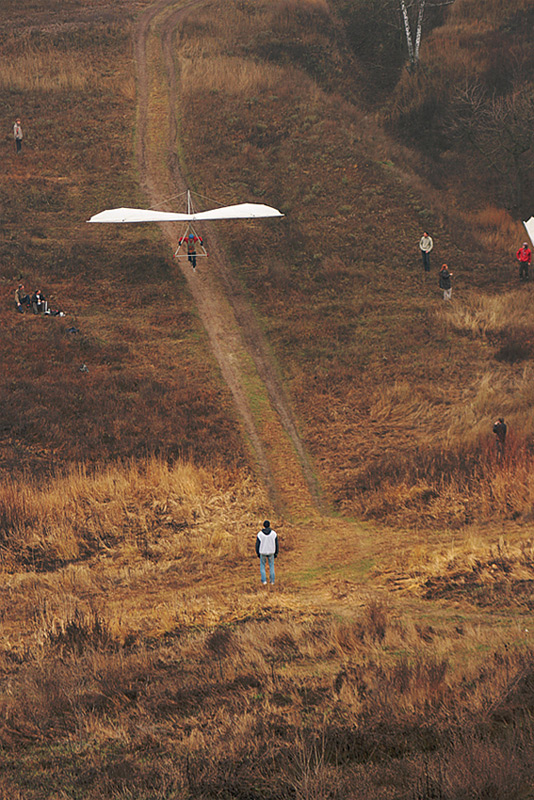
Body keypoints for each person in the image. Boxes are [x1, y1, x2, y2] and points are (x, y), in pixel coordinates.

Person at [255, 520, 278, 586]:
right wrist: (276, 552)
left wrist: (257, 553)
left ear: (263, 525)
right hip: (271, 551)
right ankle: (272, 581)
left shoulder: (260, 534)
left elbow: (257, 544)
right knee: (271, 566)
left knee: (262, 566)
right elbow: (276, 544)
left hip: (262, 552)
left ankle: (264, 581)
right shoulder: (274, 533)